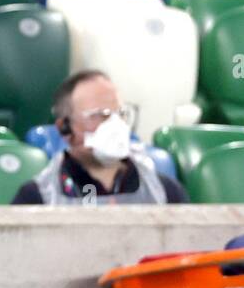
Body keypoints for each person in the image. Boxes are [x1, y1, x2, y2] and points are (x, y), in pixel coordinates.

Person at [11, 69, 189, 205]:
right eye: (100, 115)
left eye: (120, 113)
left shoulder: (165, 192)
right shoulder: (38, 198)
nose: (115, 124)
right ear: (65, 128)